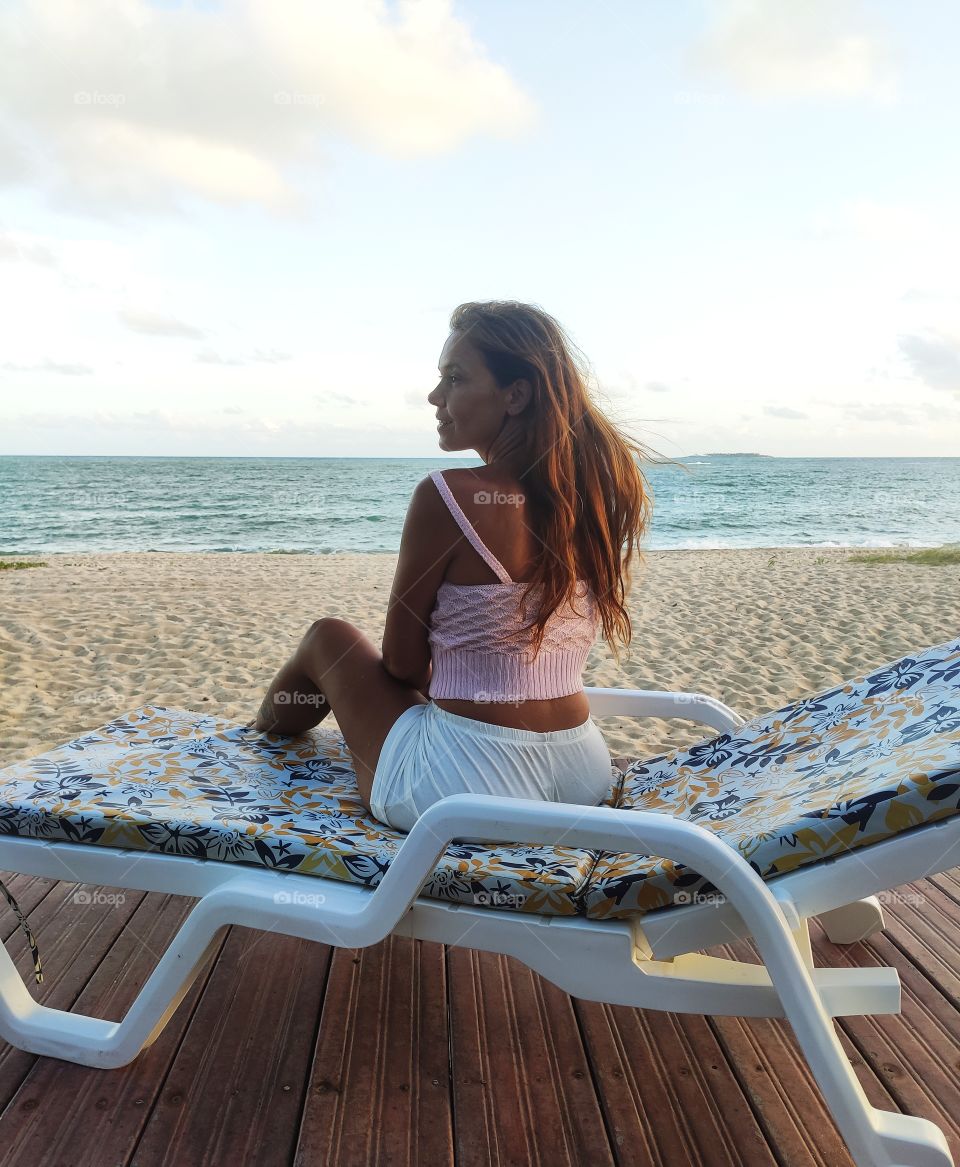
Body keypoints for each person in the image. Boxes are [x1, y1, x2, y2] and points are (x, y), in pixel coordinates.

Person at [247, 300, 664, 831]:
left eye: (454, 378)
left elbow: (400, 663)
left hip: (467, 786)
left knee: (327, 638)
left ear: (515, 394)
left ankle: (262, 731)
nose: (435, 396)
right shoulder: (591, 503)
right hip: (583, 771)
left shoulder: (448, 494)